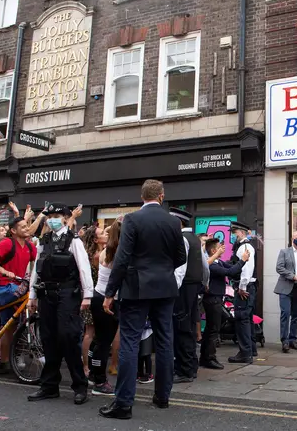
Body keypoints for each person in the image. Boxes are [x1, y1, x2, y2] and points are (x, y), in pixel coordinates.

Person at [99, 180, 186, 420]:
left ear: (142, 196)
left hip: (136, 289)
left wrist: (109, 293)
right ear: (161, 195)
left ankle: (124, 403)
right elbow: (180, 256)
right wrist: (162, 270)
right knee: (165, 341)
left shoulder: (132, 219)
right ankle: (162, 397)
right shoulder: (172, 221)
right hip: (165, 288)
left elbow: (122, 258)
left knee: (129, 342)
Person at [26, 203, 93, 405]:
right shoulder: (43, 241)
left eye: (56, 215)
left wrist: (87, 295)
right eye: (50, 216)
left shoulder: (74, 241)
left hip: (67, 294)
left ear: (65, 218)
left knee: (68, 338)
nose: (52, 219)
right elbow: (37, 271)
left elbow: (84, 268)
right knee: (48, 339)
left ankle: (80, 386)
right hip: (46, 294)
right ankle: (49, 386)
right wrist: (32, 295)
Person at [0, 216, 36, 373]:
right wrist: (4, 271)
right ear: (13, 231)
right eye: (23, 227)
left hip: (14, 290)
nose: (27, 229)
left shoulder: (29, 246)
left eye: (27, 226)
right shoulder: (7, 243)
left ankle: (3, 361)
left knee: (9, 326)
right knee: (24, 290)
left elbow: (40, 260)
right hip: (1, 289)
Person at [169, 208, 210, 384]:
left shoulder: (181, 239)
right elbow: (204, 266)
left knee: (182, 327)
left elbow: (180, 267)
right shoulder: (194, 239)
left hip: (183, 287)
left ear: (178, 223)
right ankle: (191, 367)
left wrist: (174, 289)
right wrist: (204, 284)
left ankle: (184, 370)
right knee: (190, 326)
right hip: (193, 287)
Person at [201, 239, 249, 369]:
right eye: (219, 247)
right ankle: (209, 358)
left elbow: (233, 269)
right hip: (212, 298)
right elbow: (230, 272)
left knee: (211, 328)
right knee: (213, 329)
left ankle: (204, 357)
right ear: (213, 251)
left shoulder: (219, 262)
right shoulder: (212, 265)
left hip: (217, 298)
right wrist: (243, 260)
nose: (223, 248)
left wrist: (240, 261)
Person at [88, 222, 120, 397]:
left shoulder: (106, 251)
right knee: (103, 342)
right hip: (108, 300)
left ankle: (94, 374)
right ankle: (99, 381)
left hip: (98, 296)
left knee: (98, 339)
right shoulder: (117, 254)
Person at [228, 221, 258, 364]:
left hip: (245, 287)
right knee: (247, 319)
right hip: (248, 286)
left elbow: (247, 269)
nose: (233, 236)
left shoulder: (245, 247)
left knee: (242, 319)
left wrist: (242, 287)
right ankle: (250, 349)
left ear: (241, 232)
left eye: (234, 233)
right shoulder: (244, 246)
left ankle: (245, 353)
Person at [82, 226, 107, 379]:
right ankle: (86, 365)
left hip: (90, 296)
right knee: (90, 333)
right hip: (94, 297)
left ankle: (86, 363)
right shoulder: (98, 256)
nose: (106, 235)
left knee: (90, 333)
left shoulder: (89, 254)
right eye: (103, 233)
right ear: (95, 239)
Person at [137, 319, 154, 383]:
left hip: (147, 329)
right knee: (139, 355)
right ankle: (140, 373)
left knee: (147, 354)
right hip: (140, 327)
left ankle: (148, 373)